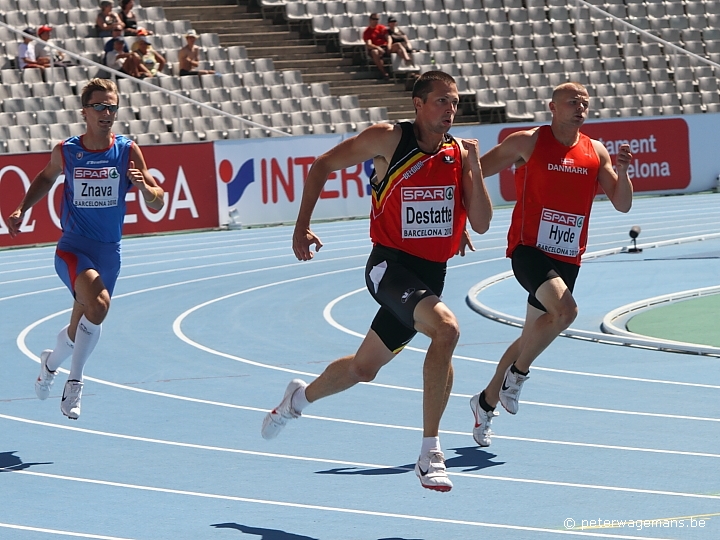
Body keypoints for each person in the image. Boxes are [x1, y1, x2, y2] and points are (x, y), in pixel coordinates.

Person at [261, 70, 493, 492]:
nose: (450, 110)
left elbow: (481, 223)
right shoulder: (389, 139)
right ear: (418, 105)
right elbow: (322, 165)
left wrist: (473, 168)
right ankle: (430, 453)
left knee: (363, 368)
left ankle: (296, 400)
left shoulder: (458, 153)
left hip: (429, 277)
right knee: (447, 330)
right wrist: (301, 226)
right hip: (388, 269)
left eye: (455, 102)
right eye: (441, 101)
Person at [468, 82, 633, 448]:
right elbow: (477, 172)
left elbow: (622, 204)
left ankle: (485, 402)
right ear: (552, 107)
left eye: (585, 103)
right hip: (529, 250)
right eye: (572, 101)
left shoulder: (596, 151)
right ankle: (518, 376)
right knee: (567, 311)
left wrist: (623, 173)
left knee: (533, 335)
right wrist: (460, 215)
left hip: (568, 255)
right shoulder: (526, 142)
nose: (580, 107)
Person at [5, 78, 164, 420]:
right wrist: (22, 207)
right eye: (100, 106)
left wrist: (144, 188)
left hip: (110, 252)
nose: (107, 113)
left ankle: (49, 364)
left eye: (112, 107)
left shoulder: (127, 150)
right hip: (73, 248)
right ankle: (75, 383)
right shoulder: (67, 150)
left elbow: (157, 198)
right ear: (85, 112)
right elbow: (47, 177)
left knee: (84, 321)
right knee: (100, 304)